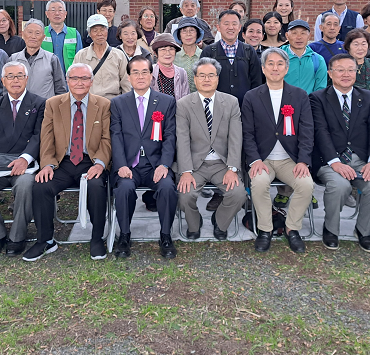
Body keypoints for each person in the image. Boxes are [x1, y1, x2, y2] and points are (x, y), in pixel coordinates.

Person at [23, 63, 111, 261]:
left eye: (84, 78)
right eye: (74, 78)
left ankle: (97, 238)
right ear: (67, 81)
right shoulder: (53, 104)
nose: (79, 82)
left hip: (90, 161)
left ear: (91, 81)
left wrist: (100, 163)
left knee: (96, 186)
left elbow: (106, 139)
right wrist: (47, 164)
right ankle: (45, 240)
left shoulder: (103, 104)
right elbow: (46, 138)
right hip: (61, 162)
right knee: (41, 186)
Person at [310, 54, 370, 252]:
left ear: (356, 72)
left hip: (362, 159)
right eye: (340, 70)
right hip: (329, 160)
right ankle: (331, 229)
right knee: (339, 185)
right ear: (330, 73)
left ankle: (363, 230)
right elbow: (320, 132)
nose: (346, 74)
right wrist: (335, 162)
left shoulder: (369, 98)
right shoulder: (318, 98)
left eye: (350, 70)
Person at [242, 48, 315, 253]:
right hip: (262, 159)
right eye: (271, 64)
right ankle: (265, 229)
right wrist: (255, 160)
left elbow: (307, 131)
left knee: (306, 185)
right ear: (263, 68)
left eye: (280, 64)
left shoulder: (300, 95)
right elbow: (247, 133)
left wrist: (303, 160)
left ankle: (292, 228)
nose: (275, 68)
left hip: (290, 159)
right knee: (259, 183)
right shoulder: (251, 96)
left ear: (286, 68)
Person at [0, 62, 46, 257]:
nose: (15, 80)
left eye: (20, 76)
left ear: (26, 79)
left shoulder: (39, 103)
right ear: (3, 81)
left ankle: (17, 236)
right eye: (10, 76)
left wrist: (25, 158)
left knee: (26, 185)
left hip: (26, 165)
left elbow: (39, 136)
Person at [110, 56, 178, 259]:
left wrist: (164, 164)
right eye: (135, 73)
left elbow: (170, 136)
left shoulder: (166, 102)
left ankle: (165, 235)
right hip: (129, 166)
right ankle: (124, 235)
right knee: (124, 189)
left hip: (155, 165)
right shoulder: (118, 103)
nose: (140, 77)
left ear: (151, 75)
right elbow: (116, 136)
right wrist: (121, 165)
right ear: (128, 77)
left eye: (144, 72)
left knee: (167, 187)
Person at [176, 58, 247, 240]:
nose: (206, 79)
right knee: (184, 195)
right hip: (195, 164)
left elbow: (235, 138)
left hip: (222, 163)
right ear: (195, 78)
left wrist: (232, 168)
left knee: (238, 194)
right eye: (202, 75)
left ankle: (220, 222)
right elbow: (182, 140)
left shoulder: (231, 102)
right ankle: (194, 224)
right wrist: (185, 171)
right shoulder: (183, 104)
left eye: (211, 75)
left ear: (217, 78)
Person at [277, 19, 327, 209]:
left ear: (309, 36)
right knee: (284, 150)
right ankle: (284, 192)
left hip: (307, 111)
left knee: (306, 149)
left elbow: (320, 87)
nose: (299, 37)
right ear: (287, 35)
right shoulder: (278, 57)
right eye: (294, 32)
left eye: (303, 33)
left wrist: (308, 108)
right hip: (281, 112)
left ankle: (307, 189)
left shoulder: (317, 59)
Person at [201, 9, 262, 106]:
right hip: (217, 107)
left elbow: (257, 82)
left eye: (234, 24)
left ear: (239, 27)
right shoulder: (209, 52)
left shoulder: (249, 51)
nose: (230, 27)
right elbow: (203, 81)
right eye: (226, 24)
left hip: (244, 107)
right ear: (218, 27)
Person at [73, 14, 131, 99]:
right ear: (89, 33)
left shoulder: (119, 55)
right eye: (95, 30)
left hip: (112, 102)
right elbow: (74, 82)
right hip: (89, 102)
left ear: (107, 31)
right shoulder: (81, 55)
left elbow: (126, 83)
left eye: (102, 29)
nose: (99, 34)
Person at [10, 19, 67, 98]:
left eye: (37, 33)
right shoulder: (13, 59)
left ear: (43, 37)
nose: (33, 36)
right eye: (30, 32)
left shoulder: (52, 59)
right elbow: (7, 86)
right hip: (20, 105)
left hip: (45, 105)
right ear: (23, 35)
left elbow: (60, 88)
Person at [43, 0, 84, 74]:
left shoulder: (74, 34)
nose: (57, 13)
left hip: (68, 78)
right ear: (47, 14)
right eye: (53, 10)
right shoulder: (41, 33)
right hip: (46, 77)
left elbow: (80, 59)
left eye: (60, 10)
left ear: (65, 14)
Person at [344, 29, 370, 100]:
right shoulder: (340, 65)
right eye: (356, 44)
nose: (360, 48)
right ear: (348, 46)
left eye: (363, 44)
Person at [151, 33, 190, 99]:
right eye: (163, 49)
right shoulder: (150, 72)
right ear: (156, 53)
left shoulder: (182, 73)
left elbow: (185, 99)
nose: (168, 53)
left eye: (171, 49)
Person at [173, 16, 204, 93]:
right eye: (184, 31)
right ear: (179, 35)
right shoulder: (173, 57)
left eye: (192, 30)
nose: (188, 34)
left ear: (197, 34)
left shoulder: (204, 55)